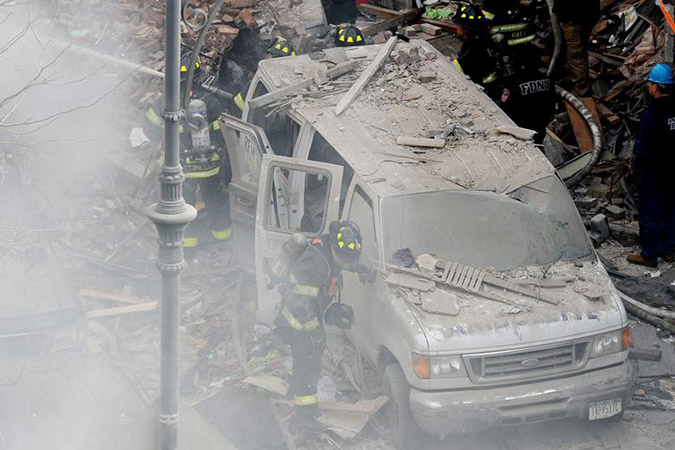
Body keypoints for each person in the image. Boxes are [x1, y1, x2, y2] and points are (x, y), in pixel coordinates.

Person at [274, 220, 364, 433]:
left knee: (307, 366)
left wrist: (362, 269)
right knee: (308, 367)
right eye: (345, 259)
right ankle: (304, 418)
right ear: (334, 248)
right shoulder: (317, 265)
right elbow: (301, 305)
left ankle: (296, 394)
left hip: (307, 320)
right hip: (298, 324)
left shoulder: (328, 251)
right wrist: (316, 332)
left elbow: (320, 293)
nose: (345, 263)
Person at [144, 53, 233, 250]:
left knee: (184, 206)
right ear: (199, 75)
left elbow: (149, 132)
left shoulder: (165, 102)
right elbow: (224, 133)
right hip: (210, 166)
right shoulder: (209, 101)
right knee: (215, 201)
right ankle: (222, 238)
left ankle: (188, 244)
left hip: (180, 168)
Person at [627, 63, 675, 268]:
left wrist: (637, 165)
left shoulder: (651, 114)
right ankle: (669, 249)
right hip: (672, 168)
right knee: (670, 209)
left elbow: (643, 146)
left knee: (649, 210)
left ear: (655, 87)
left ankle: (649, 254)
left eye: (650, 84)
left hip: (654, 171)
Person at [498, 47, 556, 144]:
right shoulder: (547, 80)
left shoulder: (513, 83)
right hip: (540, 128)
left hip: (520, 132)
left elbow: (504, 107)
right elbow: (552, 104)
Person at [453, 3, 500, 99]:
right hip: (493, 86)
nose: (456, 28)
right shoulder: (483, 39)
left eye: (457, 25)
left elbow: (457, 68)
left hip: (484, 90)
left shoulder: (474, 47)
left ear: (464, 28)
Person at [553, 0, 600, 97]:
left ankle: (581, 91)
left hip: (572, 16)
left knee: (576, 54)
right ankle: (576, 80)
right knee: (577, 50)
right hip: (585, 13)